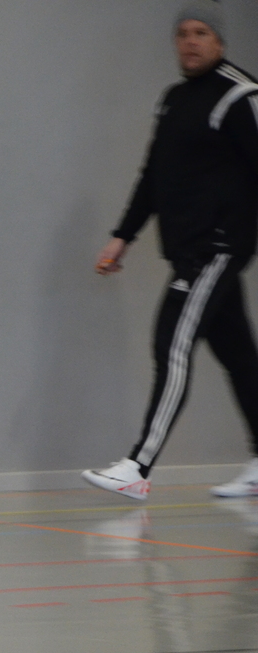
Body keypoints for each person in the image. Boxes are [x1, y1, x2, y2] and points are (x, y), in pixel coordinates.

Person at [85, 2, 258, 501]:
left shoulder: (240, 96)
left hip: (217, 248)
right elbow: (153, 176)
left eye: (201, 32)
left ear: (219, 41)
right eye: (183, 33)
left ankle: (138, 466)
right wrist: (123, 235)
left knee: (171, 345)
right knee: (241, 359)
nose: (190, 41)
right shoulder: (174, 100)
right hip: (186, 250)